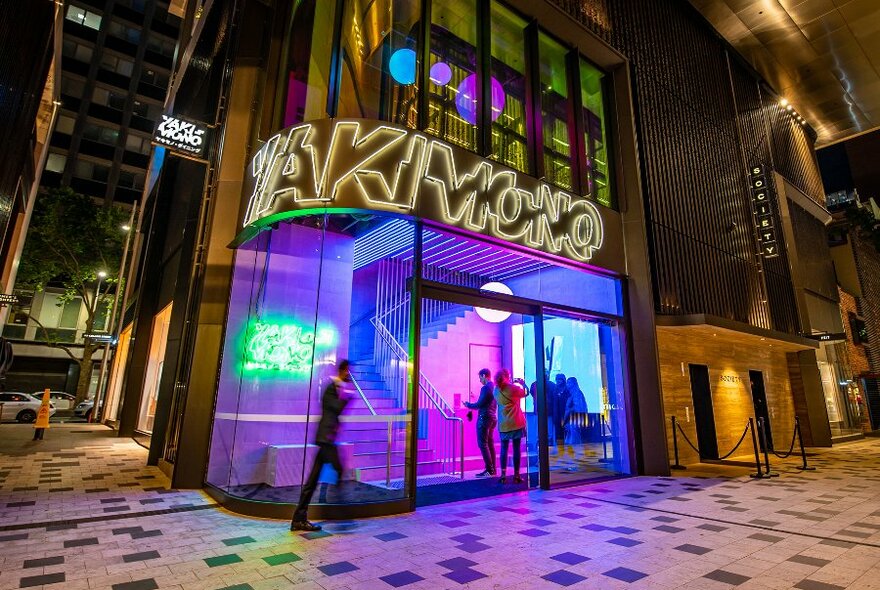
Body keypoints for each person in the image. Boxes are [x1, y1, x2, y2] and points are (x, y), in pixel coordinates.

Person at [291, 360, 351, 532]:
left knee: (313, 480)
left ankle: (298, 519)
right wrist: (347, 398)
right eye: (347, 371)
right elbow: (335, 408)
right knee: (338, 469)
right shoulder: (331, 388)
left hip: (327, 439)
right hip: (326, 440)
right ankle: (339, 507)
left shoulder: (338, 388)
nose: (349, 374)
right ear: (342, 370)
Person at [494, 369, 527, 484]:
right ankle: (516, 475)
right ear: (507, 376)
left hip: (503, 423)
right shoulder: (513, 388)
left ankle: (503, 475)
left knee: (504, 449)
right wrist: (522, 384)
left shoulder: (496, 390)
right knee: (516, 449)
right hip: (516, 422)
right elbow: (526, 393)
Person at [464, 368, 497, 477]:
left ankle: (489, 469)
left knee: (483, 444)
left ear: (484, 376)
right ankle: (493, 469)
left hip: (484, 418)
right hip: (492, 418)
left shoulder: (485, 388)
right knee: (490, 444)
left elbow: (480, 404)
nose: (480, 380)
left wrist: (468, 405)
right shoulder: (494, 387)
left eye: (480, 378)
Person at [563, 377, 588, 450]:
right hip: (574, 418)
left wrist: (569, 409)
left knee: (575, 437)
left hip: (576, 418)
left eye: (569, 383)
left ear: (573, 383)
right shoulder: (572, 393)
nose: (567, 384)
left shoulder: (576, 393)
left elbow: (578, 407)